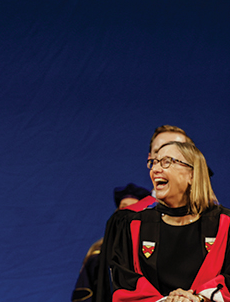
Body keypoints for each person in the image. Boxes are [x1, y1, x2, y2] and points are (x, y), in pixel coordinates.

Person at [111, 141, 230, 302]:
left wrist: (200, 298)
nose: (155, 169)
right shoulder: (134, 225)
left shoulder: (224, 224)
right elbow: (125, 282)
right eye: (154, 162)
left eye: (167, 161)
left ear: (192, 174)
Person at [96, 126, 195, 302]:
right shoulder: (126, 220)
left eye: (176, 153)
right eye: (160, 152)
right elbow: (114, 287)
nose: (166, 158)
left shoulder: (218, 222)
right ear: (150, 159)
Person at [72, 183, 152, 302]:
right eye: (123, 207)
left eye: (134, 207)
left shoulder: (150, 251)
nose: (127, 213)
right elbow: (84, 295)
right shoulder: (97, 256)